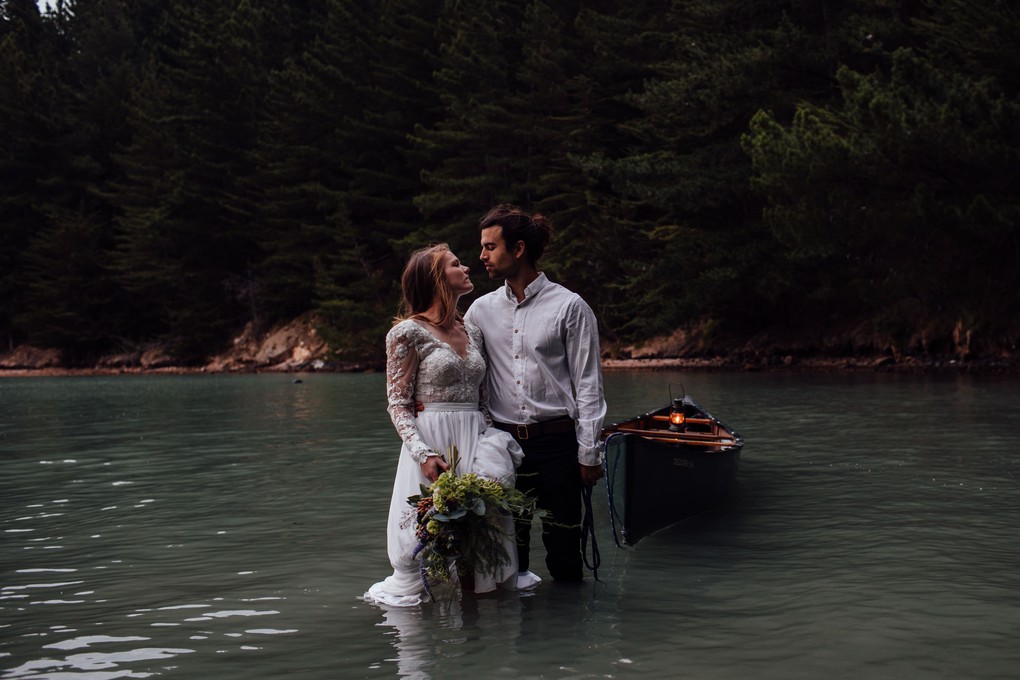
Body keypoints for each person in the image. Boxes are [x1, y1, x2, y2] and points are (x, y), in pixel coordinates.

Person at [364, 244, 524, 607]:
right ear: (437, 277)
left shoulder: (472, 330)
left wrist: (487, 446)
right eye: (455, 264)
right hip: (432, 443)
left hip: (474, 439)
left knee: (484, 533)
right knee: (434, 537)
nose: (466, 267)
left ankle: (480, 625)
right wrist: (423, 454)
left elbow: (483, 401)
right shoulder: (406, 333)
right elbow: (398, 405)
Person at [464, 204, 606, 586]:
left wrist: (589, 452)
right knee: (510, 556)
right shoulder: (479, 311)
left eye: (490, 247)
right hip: (503, 447)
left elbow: (589, 384)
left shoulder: (570, 307)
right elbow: (467, 377)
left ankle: (571, 635)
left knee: (564, 553)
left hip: (559, 444)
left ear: (519, 248)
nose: (482, 256)